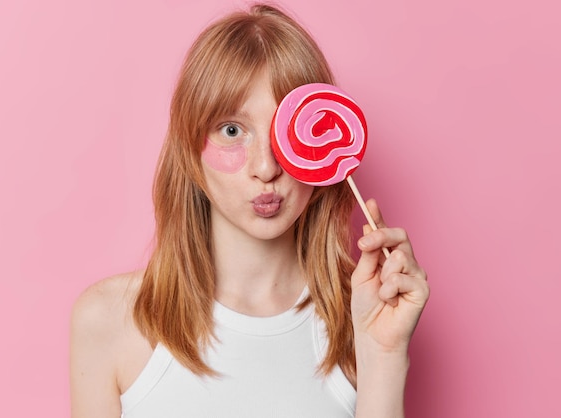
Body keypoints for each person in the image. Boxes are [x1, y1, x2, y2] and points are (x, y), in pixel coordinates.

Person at [70, 4, 429, 417]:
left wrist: (385, 355)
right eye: (232, 130)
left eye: (287, 132)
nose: (265, 168)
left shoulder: (364, 317)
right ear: (191, 148)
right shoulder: (108, 319)